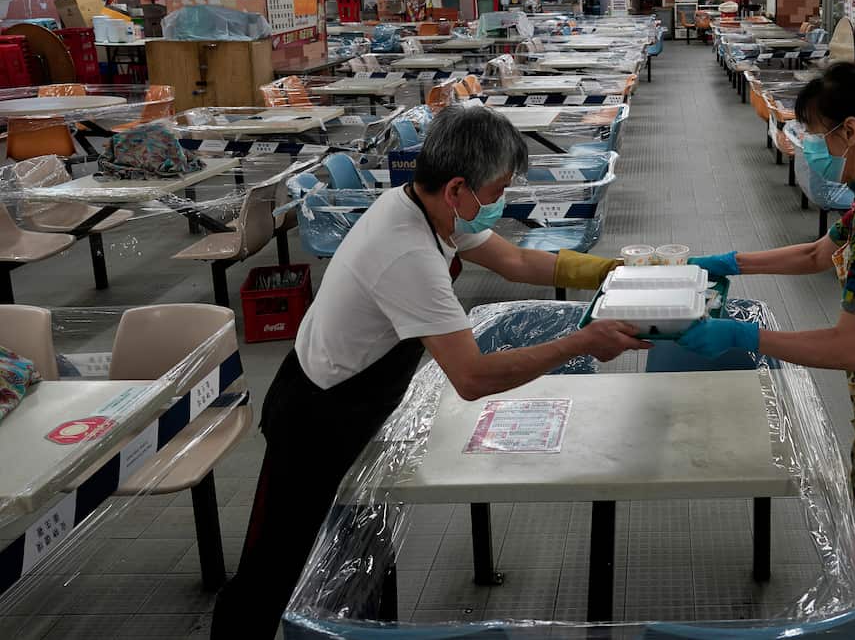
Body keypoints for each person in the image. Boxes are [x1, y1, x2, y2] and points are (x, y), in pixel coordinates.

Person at [211, 106, 648, 638]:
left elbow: (518, 262)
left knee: (357, 542)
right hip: (317, 416)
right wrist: (583, 342)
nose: (500, 201)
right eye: (498, 189)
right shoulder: (408, 252)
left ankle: (355, 628)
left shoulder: (428, 205)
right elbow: (472, 377)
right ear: (459, 188)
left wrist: (618, 271)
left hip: (363, 396)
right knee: (276, 561)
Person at [677, 63, 855, 640]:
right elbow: (817, 254)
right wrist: (727, 262)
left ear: (851, 130)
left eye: (816, 129)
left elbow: (846, 347)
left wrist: (741, 336)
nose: (811, 139)